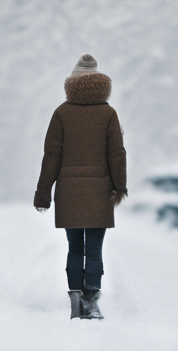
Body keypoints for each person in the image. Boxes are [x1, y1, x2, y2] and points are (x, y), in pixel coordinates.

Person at [33, 53, 127, 320]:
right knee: (95, 250)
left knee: (75, 248)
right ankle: (91, 302)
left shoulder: (61, 113)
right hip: (99, 191)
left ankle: (75, 301)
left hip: (69, 191)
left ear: (72, 82)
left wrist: (43, 193)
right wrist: (119, 186)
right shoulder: (109, 114)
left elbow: (51, 155)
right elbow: (117, 153)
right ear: (100, 83)